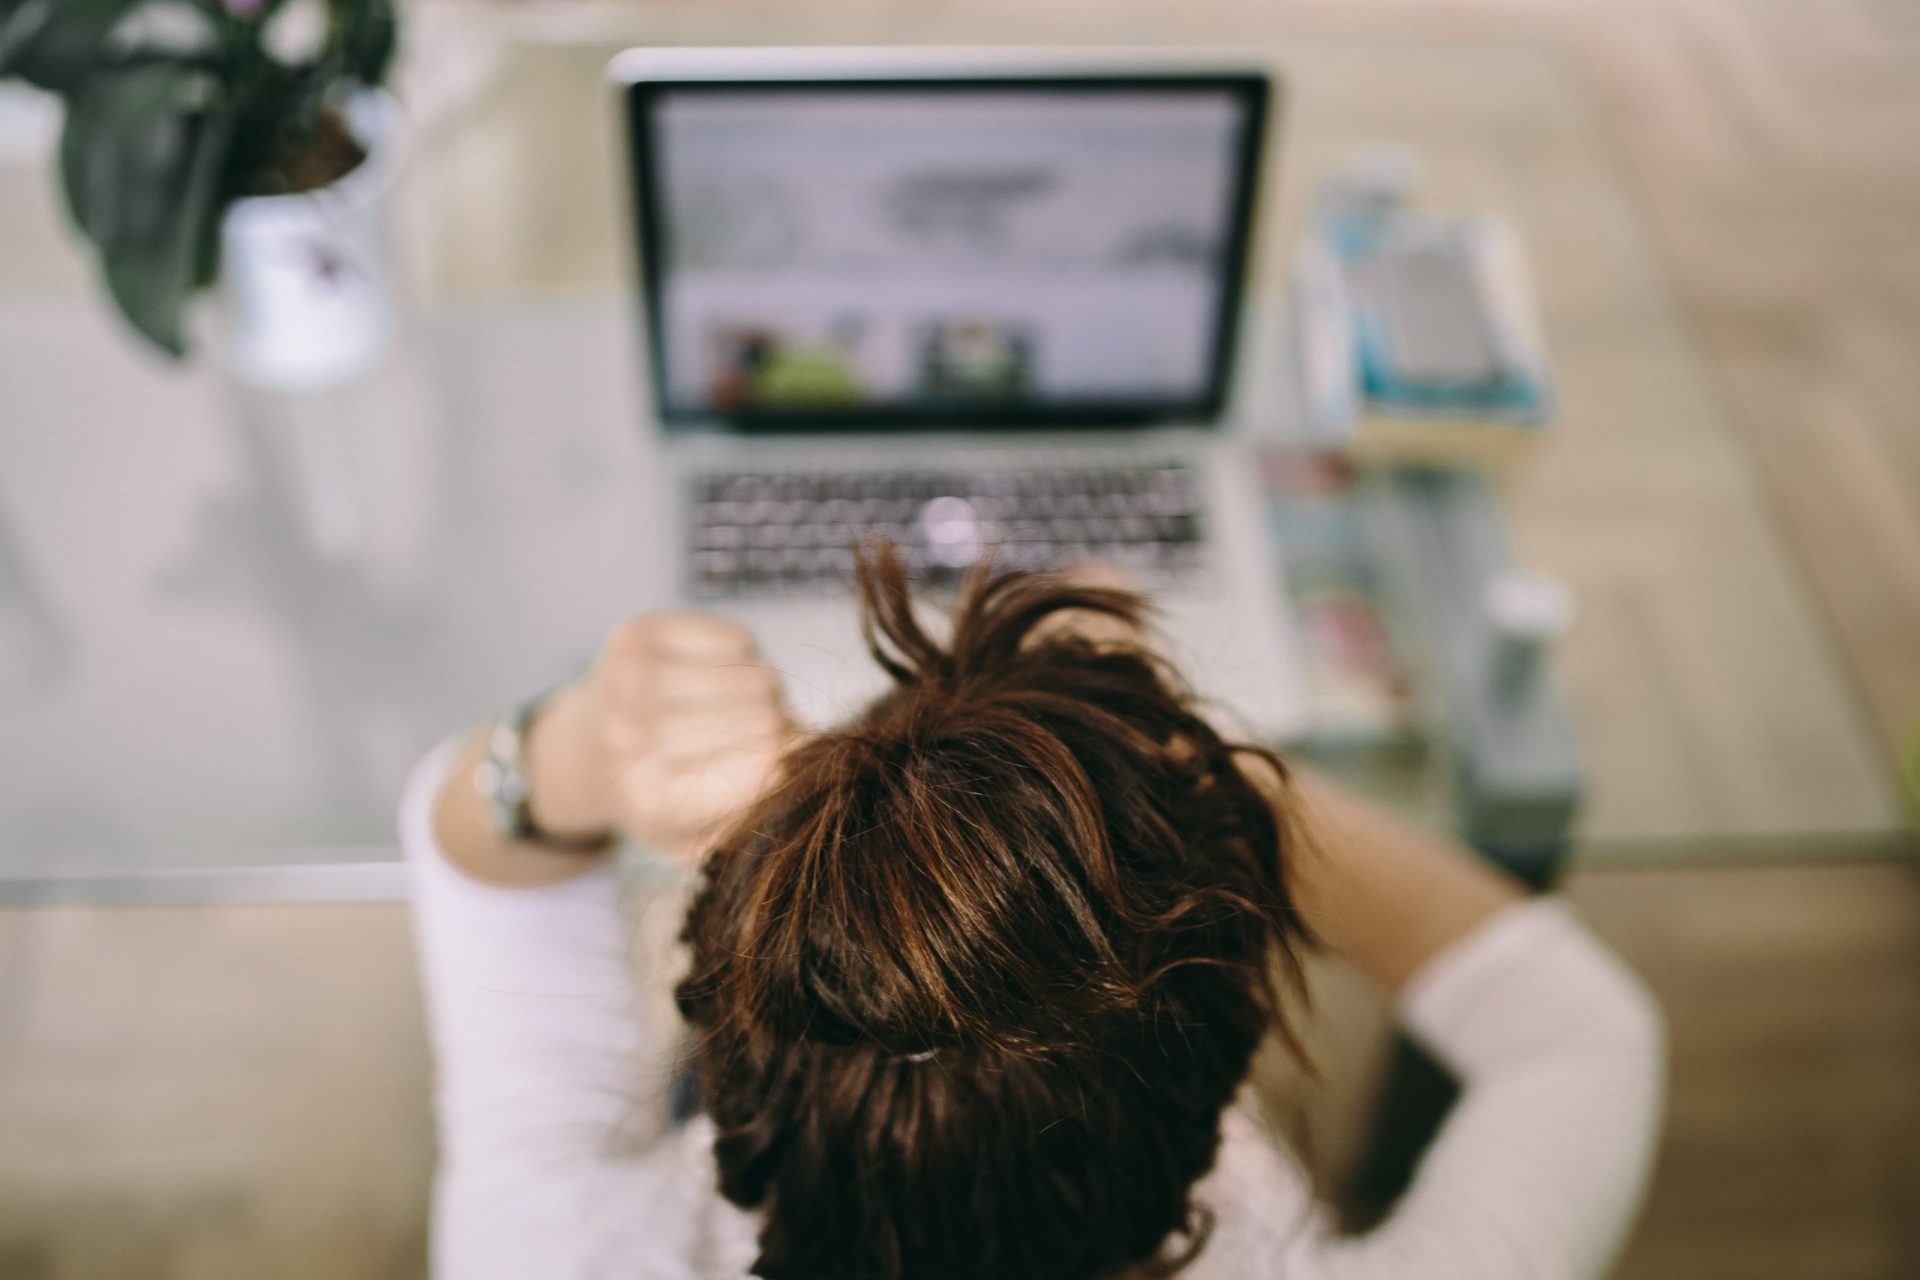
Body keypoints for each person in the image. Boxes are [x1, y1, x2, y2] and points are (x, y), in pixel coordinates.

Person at [405, 547, 1664, 1280]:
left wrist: (575, 750)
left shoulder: (548, 1249)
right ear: (1229, 1030)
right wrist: (1202, 779)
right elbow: (1578, 1028)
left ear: (738, 1078)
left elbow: (460, 845)